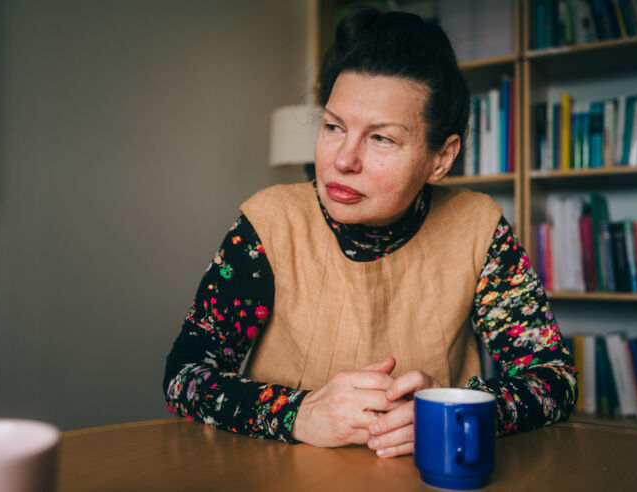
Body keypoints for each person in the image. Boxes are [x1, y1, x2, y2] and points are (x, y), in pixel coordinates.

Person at [163, 6, 577, 458]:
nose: (344, 159)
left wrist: (457, 413)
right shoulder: (269, 222)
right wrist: (297, 413)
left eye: (381, 138)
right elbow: (186, 375)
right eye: (333, 127)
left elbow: (554, 378)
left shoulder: (478, 227)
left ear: (441, 158)